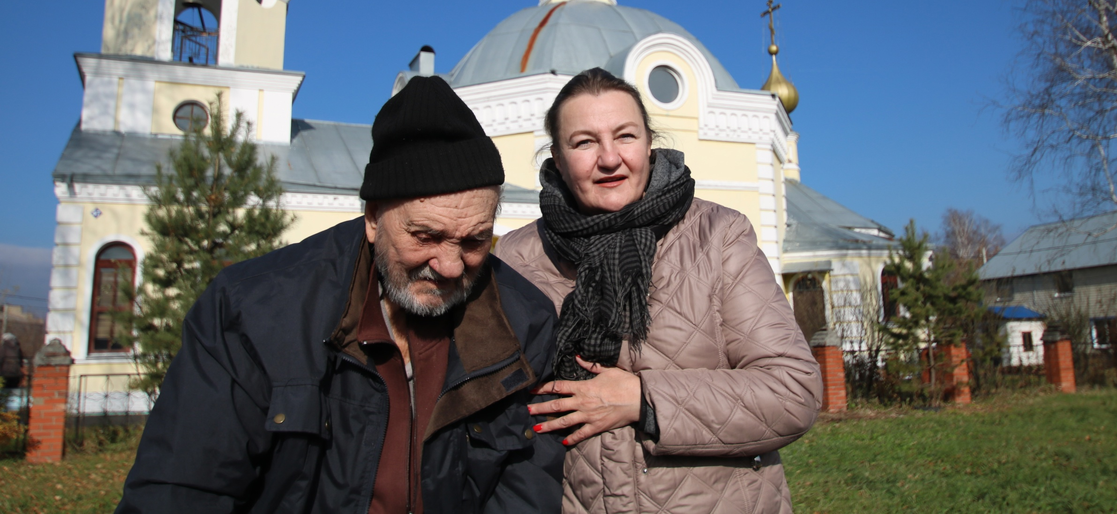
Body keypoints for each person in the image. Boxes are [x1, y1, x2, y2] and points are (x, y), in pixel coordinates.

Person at [117, 76, 563, 514]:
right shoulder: (255, 314)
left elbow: (525, 492)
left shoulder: (523, 323)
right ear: (372, 218)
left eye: (474, 241)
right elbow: (182, 489)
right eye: (426, 236)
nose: (449, 266)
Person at [495, 68, 822, 514]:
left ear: (650, 143)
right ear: (556, 156)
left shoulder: (717, 236)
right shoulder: (519, 258)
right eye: (584, 142)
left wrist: (644, 400)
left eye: (625, 136)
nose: (610, 159)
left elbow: (792, 391)